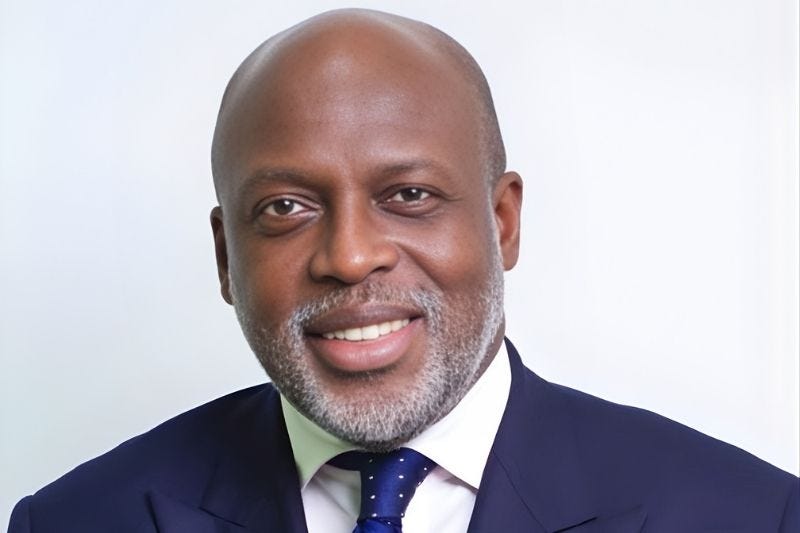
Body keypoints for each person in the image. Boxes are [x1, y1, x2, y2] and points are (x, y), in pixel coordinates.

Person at [7, 8, 798, 533]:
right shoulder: (76, 520)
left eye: (409, 195)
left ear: (502, 222)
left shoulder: (749, 515)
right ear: (225, 257)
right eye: (286, 207)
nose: (351, 255)